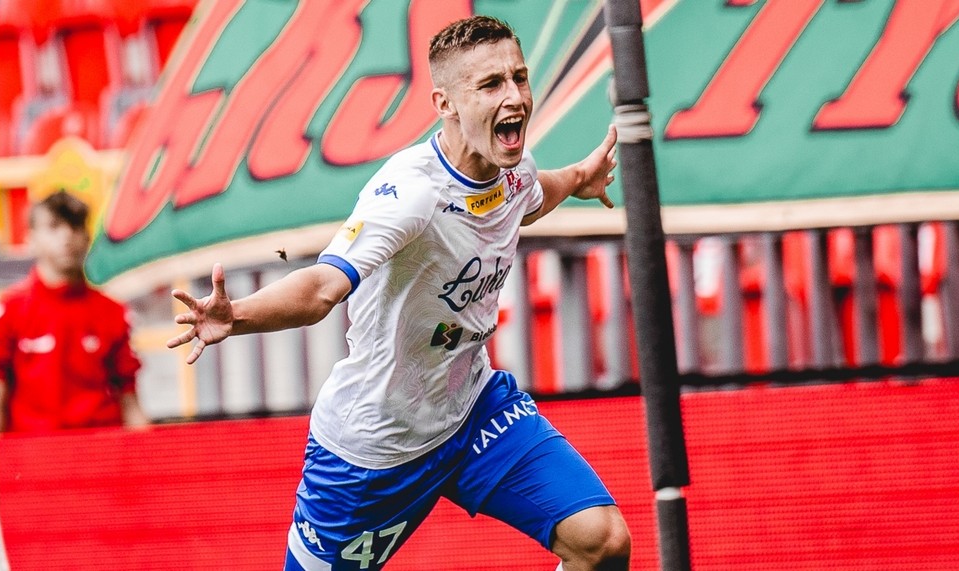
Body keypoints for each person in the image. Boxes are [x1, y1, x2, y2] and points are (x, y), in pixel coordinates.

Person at [168, 16, 629, 570]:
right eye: (490, 85)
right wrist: (236, 315)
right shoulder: (411, 194)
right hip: (374, 448)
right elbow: (321, 287)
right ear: (445, 103)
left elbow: (531, 195)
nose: (515, 97)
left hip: (474, 411)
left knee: (602, 542)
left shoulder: (511, 169)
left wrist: (579, 177)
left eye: (519, 78)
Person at [0, 190, 149, 433]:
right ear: (31, 238)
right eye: (54, 226)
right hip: (32, 449)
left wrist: (148, 449)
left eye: (75, 225)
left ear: (87, 236)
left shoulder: (114, 313)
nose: (67, 236)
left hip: (102, 447)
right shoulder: (8, 311)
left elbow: (130, 402)